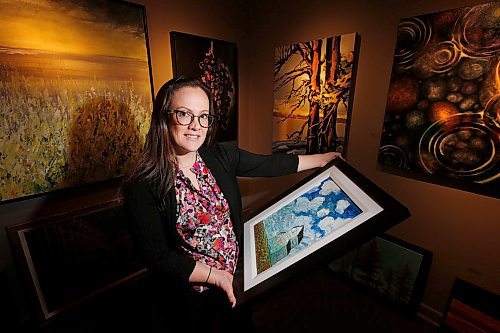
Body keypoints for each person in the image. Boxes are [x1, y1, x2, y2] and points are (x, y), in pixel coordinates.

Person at [122, 76, 341, 332]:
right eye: (184, 114)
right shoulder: (142, 185)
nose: (196, 126)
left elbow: (268, 164)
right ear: (164, 117)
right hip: (191, 289)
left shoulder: (220, 156)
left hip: (236, 275)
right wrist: (215, 276)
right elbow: (157, 256)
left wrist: (321, 160)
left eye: (204, 116)